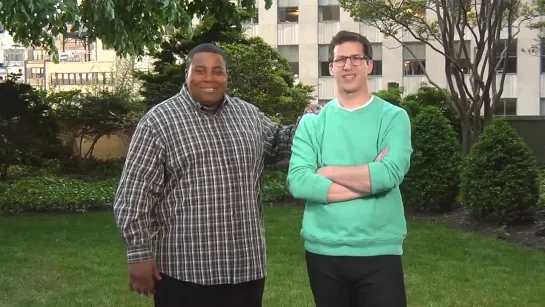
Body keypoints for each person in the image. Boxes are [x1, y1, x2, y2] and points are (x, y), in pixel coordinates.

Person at [113, 43, 319, 307]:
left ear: (226, 77)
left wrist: (310, 124)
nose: (209, 78)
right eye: (200, 71)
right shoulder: (158, 122)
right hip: (184, 271)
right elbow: (134, 194)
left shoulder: (248, 115)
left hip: (245, 269)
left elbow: (279, 143)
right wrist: (139, 253)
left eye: (217, 71)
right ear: (186, 74)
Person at [286, 30, 413, 307]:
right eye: (341, 59)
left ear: (369, 64)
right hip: (323, 251)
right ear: (331, 67)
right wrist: (368, 181)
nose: (348, 65)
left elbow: (390, 173)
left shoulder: (393, 118)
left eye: (357, 58)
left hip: (379, 249)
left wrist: (327, 171)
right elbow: (299, 182)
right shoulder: (312, 124)